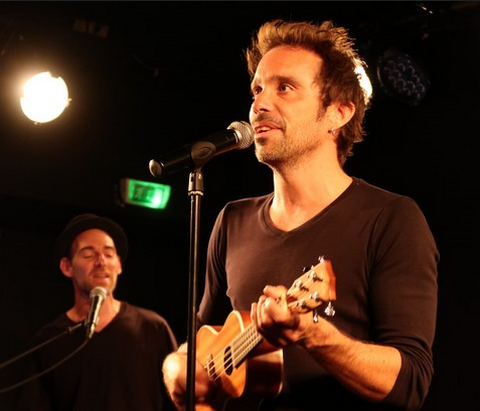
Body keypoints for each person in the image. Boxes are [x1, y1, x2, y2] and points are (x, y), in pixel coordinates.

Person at [162, 19, 439, 411]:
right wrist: (174, 367)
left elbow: (410, 382)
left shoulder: (391, 219)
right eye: (257, 89)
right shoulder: (232, 220)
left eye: (285, 88)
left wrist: (312, 334)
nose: (259, 104)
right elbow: (196, 345)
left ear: (338, 113)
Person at [16, 213, 178, 411]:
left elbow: (178, 400)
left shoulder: (152, 327)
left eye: (109, 254)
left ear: (119, 265)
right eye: (88, 254)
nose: (101, 261)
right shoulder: (49, 341)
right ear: (67, 267)